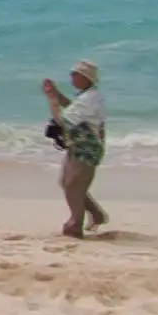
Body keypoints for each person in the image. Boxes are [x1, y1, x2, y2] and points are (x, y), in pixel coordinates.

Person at [42, 59, 108, 238]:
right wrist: (57, 93)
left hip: (87, 147)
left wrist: (51, 99)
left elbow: (63, 120)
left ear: (86, 78)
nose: (71, 77)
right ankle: (96, 214)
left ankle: (75, 223)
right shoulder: (88, 96)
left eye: (75, 74)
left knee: (74, 186)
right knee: (67, 182)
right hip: (79, 145)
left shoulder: (90, 98)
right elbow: (72, 108)